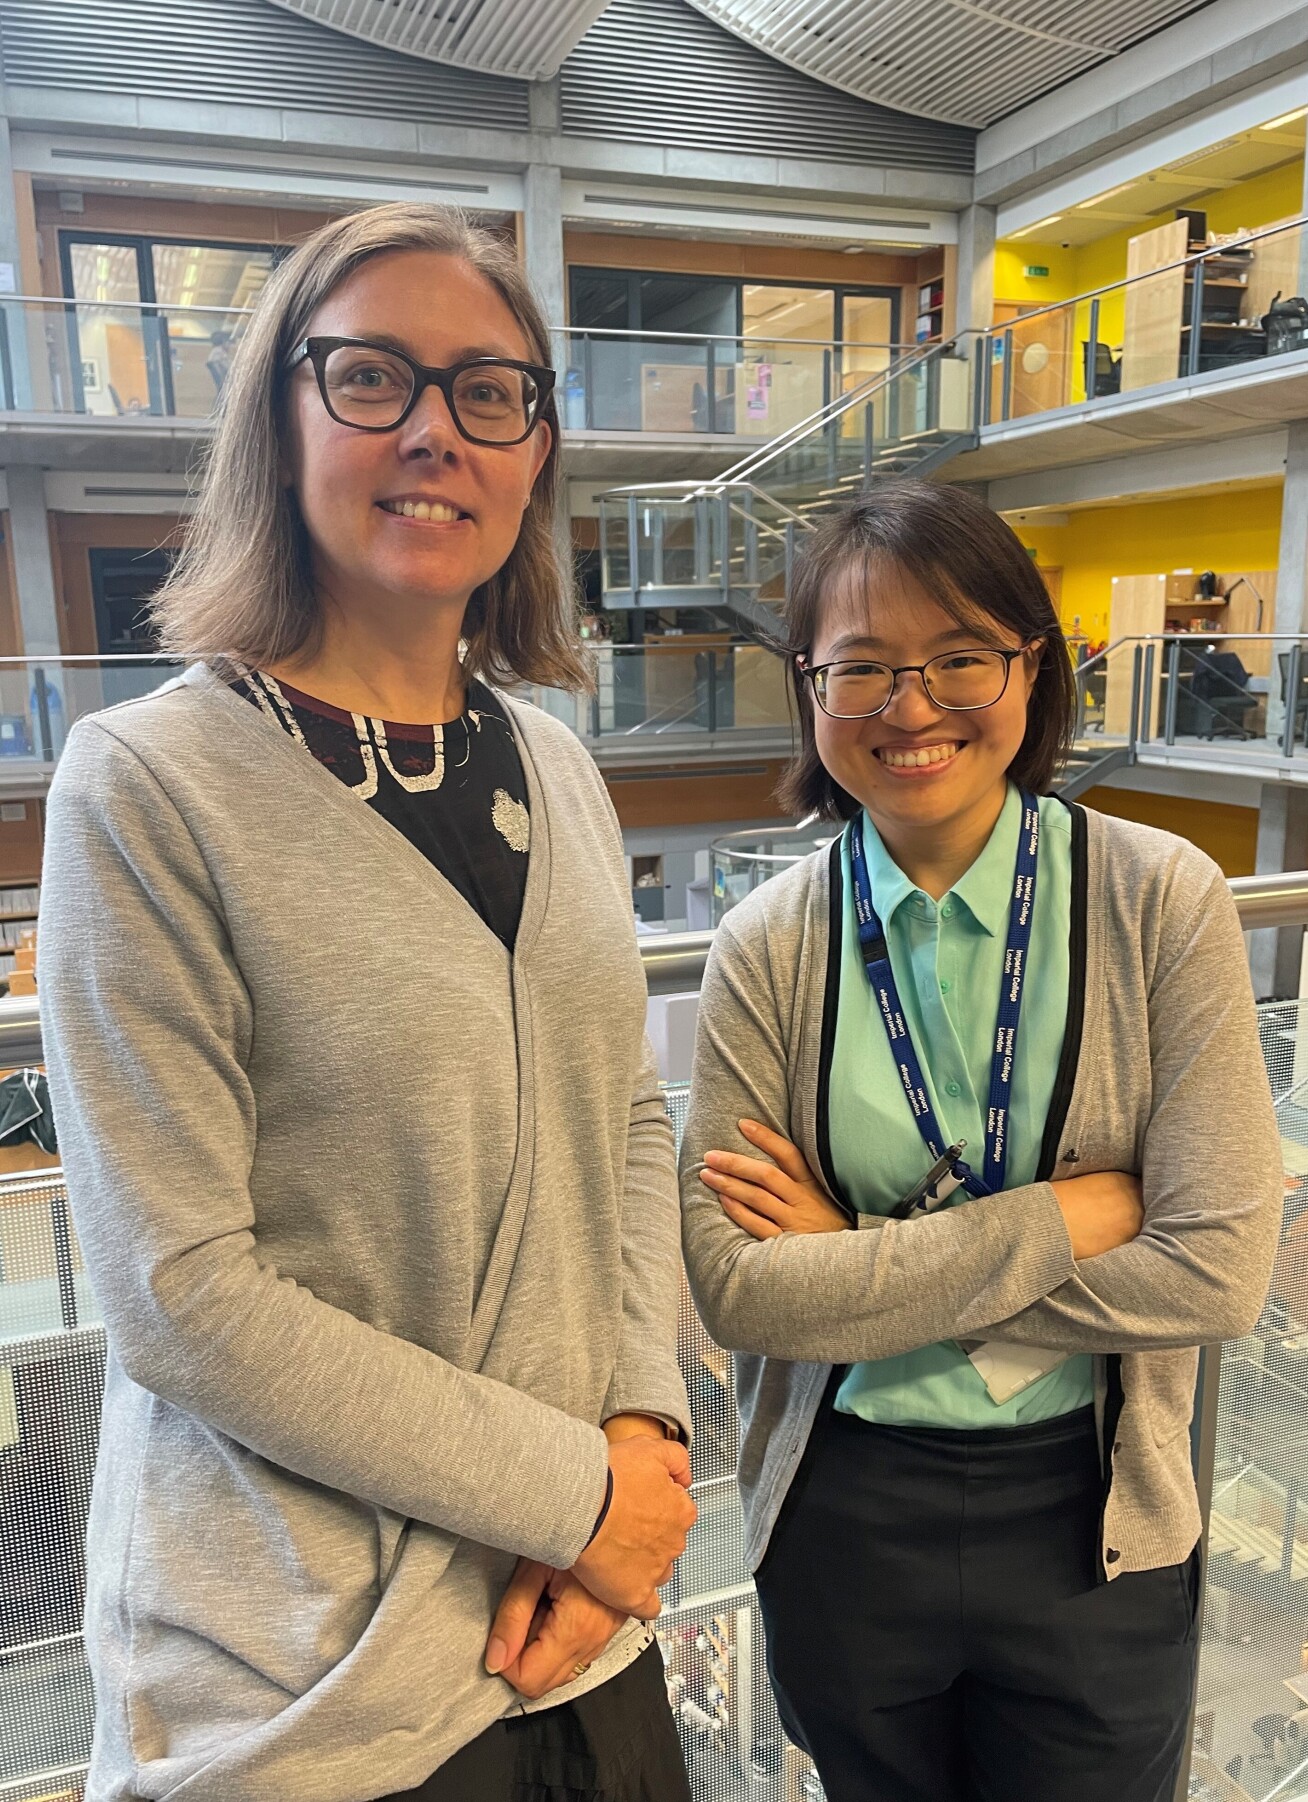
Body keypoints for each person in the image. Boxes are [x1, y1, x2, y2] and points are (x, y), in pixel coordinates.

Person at [38, 203, 697, 1802]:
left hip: (575, 1628)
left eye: (490, 391)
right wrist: (577, 1491)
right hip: (311, 1685)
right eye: (371, 377)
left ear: (536, 446)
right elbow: (183, 1290)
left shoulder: (556, 762)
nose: (434, 431)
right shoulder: (145, 786)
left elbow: (623, 1110)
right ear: (280, 416)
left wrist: (649, 1437)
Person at [679, 480, 1282, 1802]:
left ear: (1030, 664)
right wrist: (1057, 1221)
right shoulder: (768, 948)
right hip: (848, 1512)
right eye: (864, 667)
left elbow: (1219, 1273)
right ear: (808, 685)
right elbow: (736, 1285)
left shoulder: (1157, 902)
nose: (912, 704)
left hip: (1094, 1518)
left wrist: (861, 1262)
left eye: (960, 656)